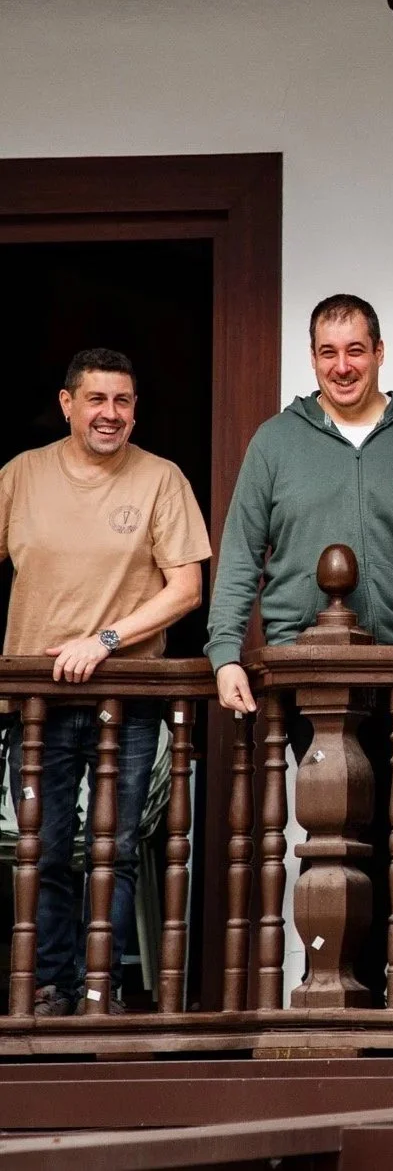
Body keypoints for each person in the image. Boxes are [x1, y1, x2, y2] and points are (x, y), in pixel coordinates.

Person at [205, 293, 393, 1000]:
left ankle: (369, 994)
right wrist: (226, 650)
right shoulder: (274, 442)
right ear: (312, 357)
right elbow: (241, 553)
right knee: (324, 841)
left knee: (380, 839)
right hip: (303, 675)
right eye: (326, 351)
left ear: (379, 352)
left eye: (354, 350)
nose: (341, 366)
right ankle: (331, 987)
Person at [2, 348, 210, 1016]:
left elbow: (186, 588)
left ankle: (102, 985)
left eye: (122, 401)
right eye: (96, 399)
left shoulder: (161, 478)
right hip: (38, 698)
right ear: (68, 403)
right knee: (46, 848)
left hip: (128, 693)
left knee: (113, 850)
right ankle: (57, 984)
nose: (110, 414)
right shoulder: (21, 475)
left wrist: (106, 640)